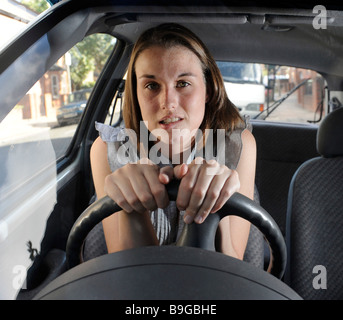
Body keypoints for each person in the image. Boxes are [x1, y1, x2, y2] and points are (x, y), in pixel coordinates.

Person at [90, 23, 256, 260]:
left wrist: (214, 203)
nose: (168, 103)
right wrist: (132, 209)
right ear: (135, 95)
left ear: (207, 89)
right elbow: (126, 272)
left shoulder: (237, 145)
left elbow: (233, 264)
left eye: (183, 84)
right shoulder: (108, 150)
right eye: (151, 86)